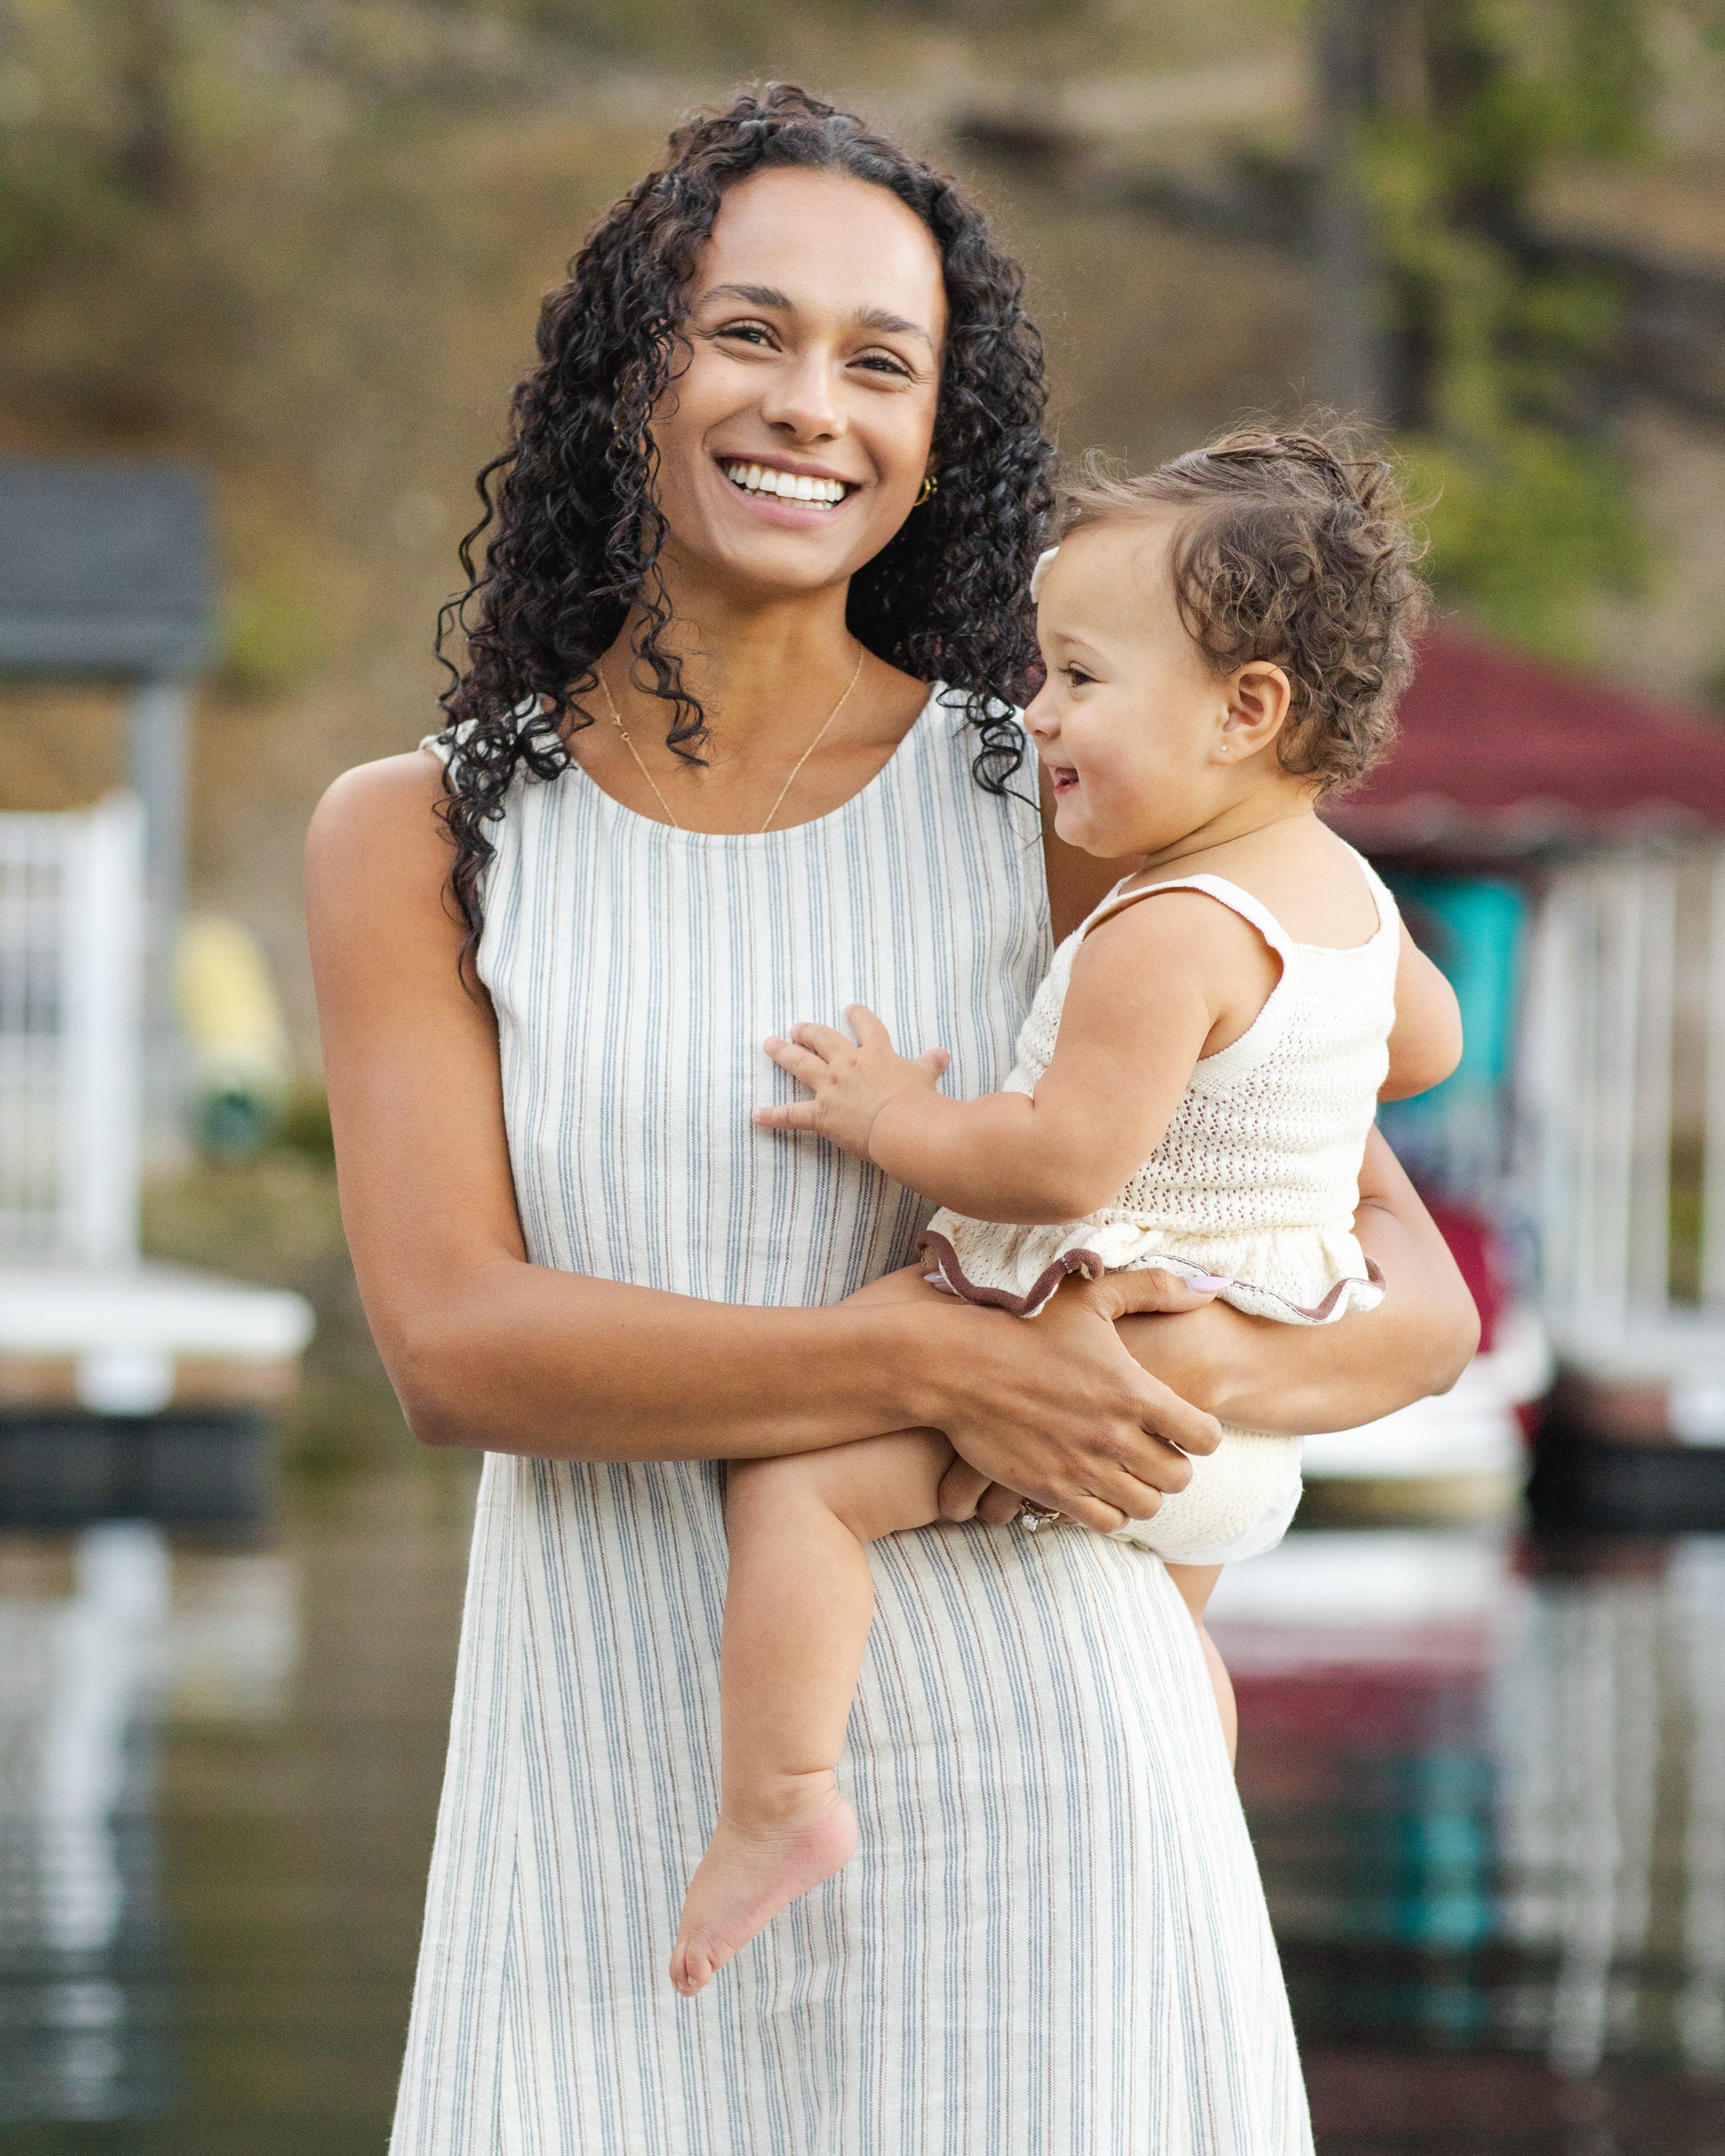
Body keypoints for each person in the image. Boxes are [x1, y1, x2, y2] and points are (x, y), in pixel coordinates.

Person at [307, 85, 1479, 2155]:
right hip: (598, 1799)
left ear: (942, 430)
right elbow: (453, 1348)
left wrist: (1158, 1364)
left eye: (881, 362)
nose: (809, 408)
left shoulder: (1058, 801)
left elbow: (1403, 1299)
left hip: (1049, 1792)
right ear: (628, 371)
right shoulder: (419, 834)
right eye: (747, 331)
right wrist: (932, 1355)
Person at [670, 426, 1464, 1999]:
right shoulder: (1352, 906)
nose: (1038, 717)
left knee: (802, 1494)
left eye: (1080, 682)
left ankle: (776, 1804)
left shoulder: (1162, 929)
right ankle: (1191, 1841)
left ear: (1247, 713)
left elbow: (1054, 1166)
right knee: (1169, 1671)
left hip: (1101, 1364)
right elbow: (1420, 1054)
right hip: (1251, 1436)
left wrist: (889, 1109)